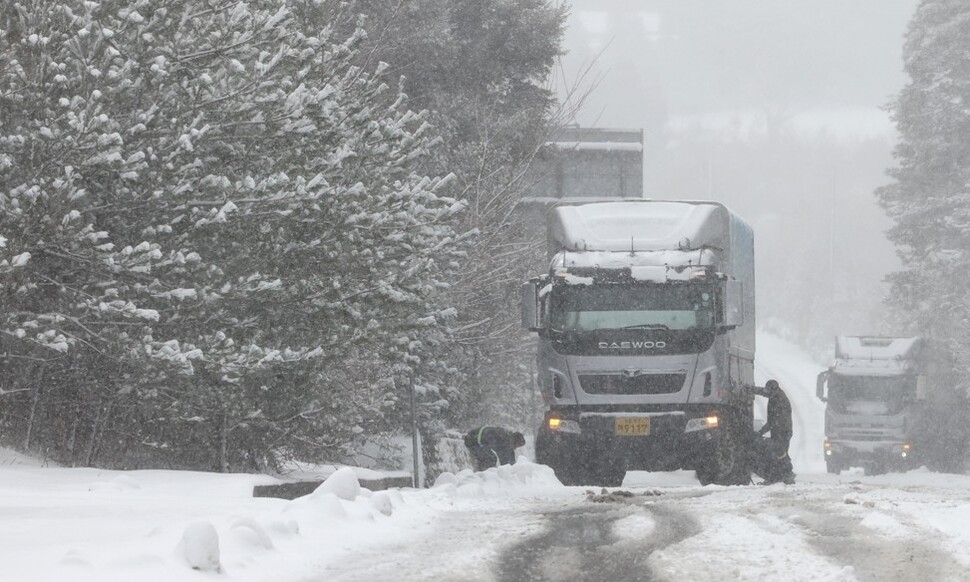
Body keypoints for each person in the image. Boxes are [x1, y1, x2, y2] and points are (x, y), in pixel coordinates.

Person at [751, 380, 796, 484]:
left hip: (782, 431)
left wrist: (761, 432)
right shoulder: (775, 395)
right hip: (780, 430)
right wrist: (752, 389)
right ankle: (783, 475)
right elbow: (765, 392)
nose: (767, 393)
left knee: (779, 453)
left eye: (769, 391)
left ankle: (784, 475)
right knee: (779, 454)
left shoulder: (780, 400)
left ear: (773, 390)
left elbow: (774, 421)